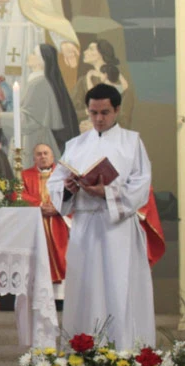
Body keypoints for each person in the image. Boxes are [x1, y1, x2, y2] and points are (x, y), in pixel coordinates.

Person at [47, 83, 154, 349]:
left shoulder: (132, 142)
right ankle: (84, 351)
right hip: (85, 227)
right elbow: (56, 182)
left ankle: (124, 351)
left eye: (104, 112)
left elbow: (141, 185)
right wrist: (69, 189)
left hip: (117, 227)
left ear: (117, 110)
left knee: (119, 288)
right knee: (85, 291)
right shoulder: (76, 144)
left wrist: (106, 192)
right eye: (93, 112)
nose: (98, 118)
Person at [20, 143, 68, 303]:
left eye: (46, 153)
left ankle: (60, 299)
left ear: (53, 156)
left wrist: (58, 207)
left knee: (63, 256)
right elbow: (18, 195)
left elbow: (73, 195)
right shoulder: (24, 175)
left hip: (60, 225)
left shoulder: (63, 176)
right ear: (34, 158)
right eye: (39, 154)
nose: (43, 156)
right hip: (35, 226)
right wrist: (40, 206)